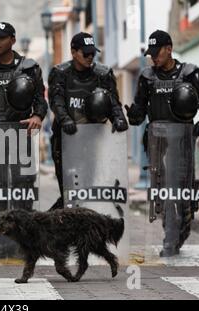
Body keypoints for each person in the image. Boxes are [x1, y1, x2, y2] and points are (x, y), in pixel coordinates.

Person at [126, 30, 199, 257]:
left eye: (157, 52)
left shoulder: (191, 74)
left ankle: (174, 235)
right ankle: (170, 234)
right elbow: (139, 111)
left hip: (182, 142)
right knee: (162, 192)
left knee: (178, 191)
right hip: (157, 142)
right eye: (151, 53)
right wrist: (132, 114)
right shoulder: (146, 77)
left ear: (169, 48)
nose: (153, 57)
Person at [0, 22, 48, 259]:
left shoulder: (29, 67)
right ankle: (3, 240)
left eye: (1, 38)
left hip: (21, 134)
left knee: (23, 187)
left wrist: (37, 115)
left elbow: (40, 99)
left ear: (13, 40)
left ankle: (23, 240)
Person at [48, 32, 128, 210]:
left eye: (93, 53)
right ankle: (51, 225)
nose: (90, 57)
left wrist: (120, 119)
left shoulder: (103, 74)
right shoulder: (60, 73)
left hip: (94, 142)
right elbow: (56, 101)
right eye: (86, 53)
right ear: (73, 52)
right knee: (70, 192)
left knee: (90, 190)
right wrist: (65, 119)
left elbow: (113, 102)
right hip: (66, 142)